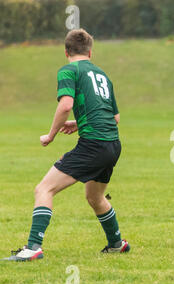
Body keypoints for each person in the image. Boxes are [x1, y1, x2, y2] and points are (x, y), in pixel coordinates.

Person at [6, 29, 130, 261]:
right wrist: (78, 122)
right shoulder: (103, 75)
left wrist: (51, 135)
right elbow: (115, 118)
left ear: (66, 52)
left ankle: (33, 248)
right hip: (112, 145)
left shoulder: (69, 70)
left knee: (44, 189)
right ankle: (116, 244)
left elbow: (65, 105)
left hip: (93, 145)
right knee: (95, 197)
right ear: (90, 52)